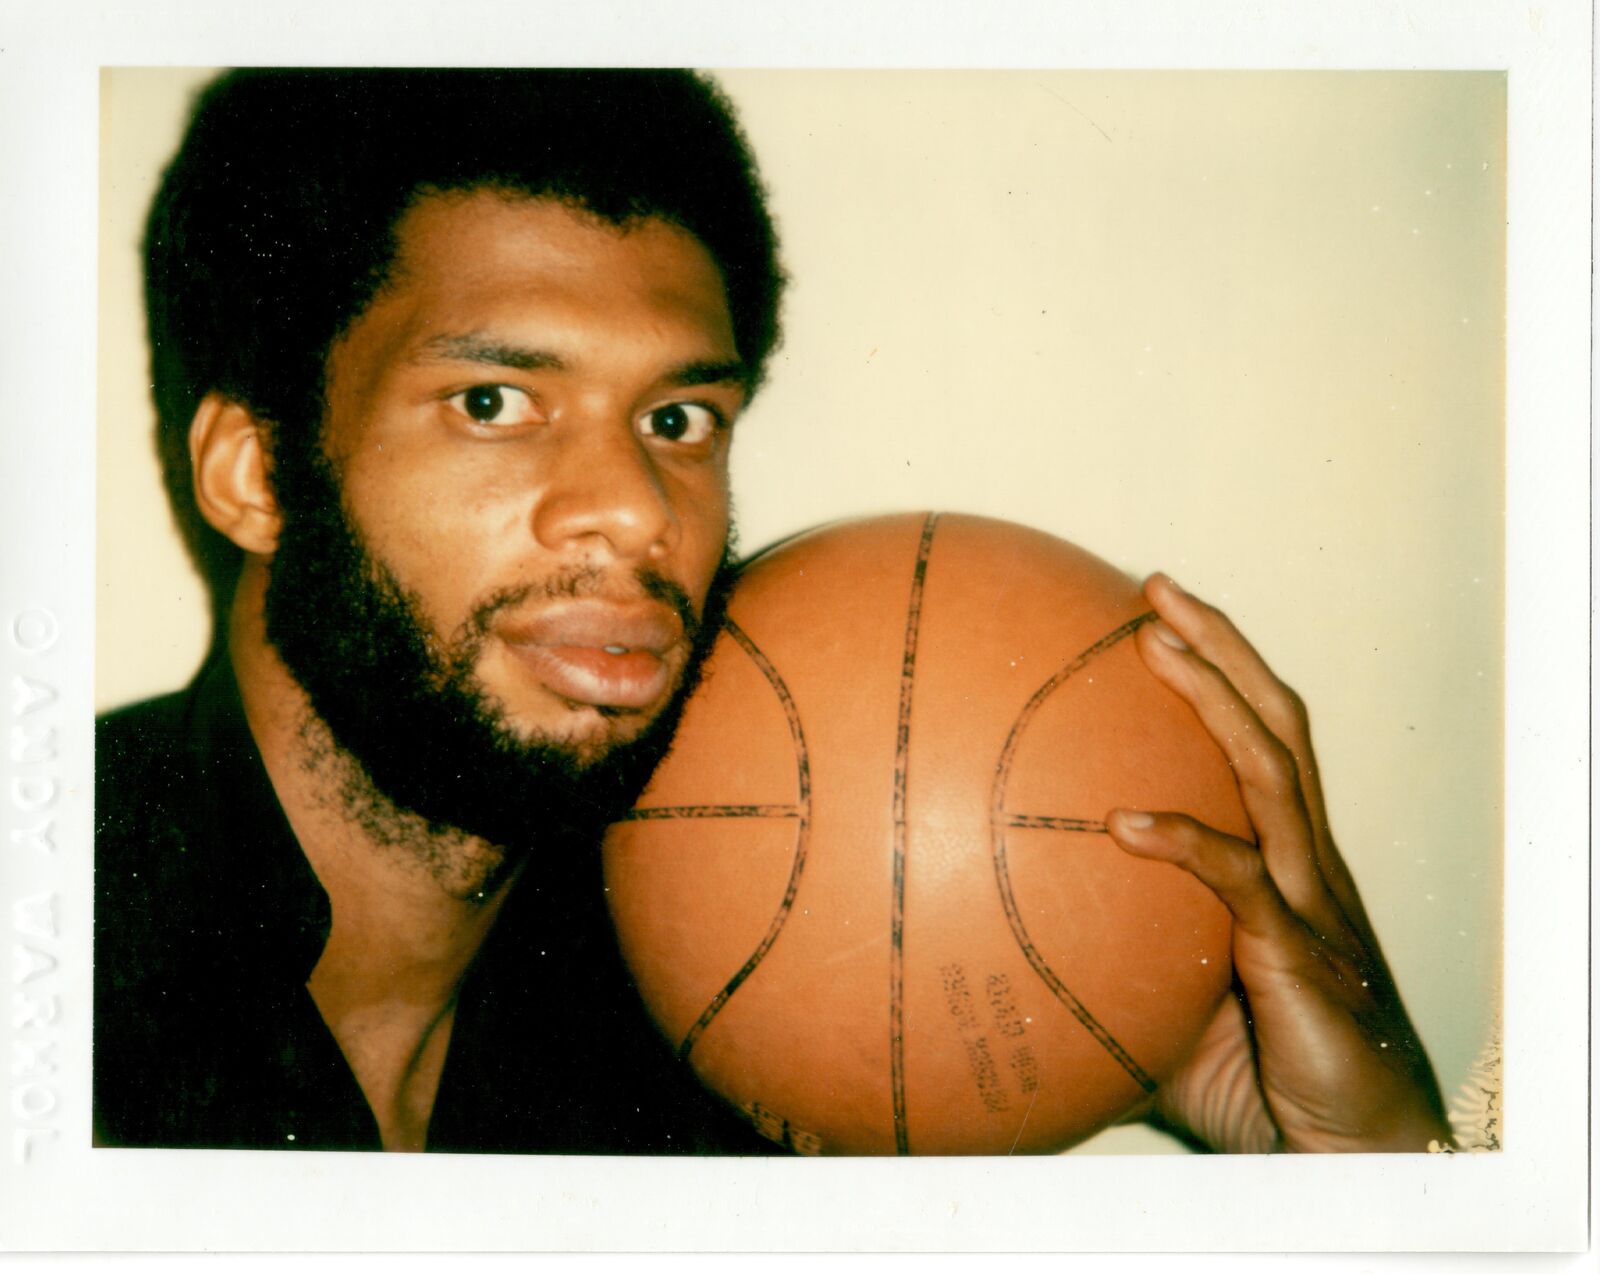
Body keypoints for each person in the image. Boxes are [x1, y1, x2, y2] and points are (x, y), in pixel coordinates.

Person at [95, 67, 1451, 1155]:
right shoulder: (56, 938)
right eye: (496, 402)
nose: (635, 508)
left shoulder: (762, 1025)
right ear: (257, 472)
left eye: (678, 417)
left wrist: (1369, 1163)